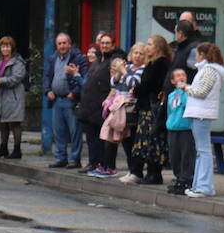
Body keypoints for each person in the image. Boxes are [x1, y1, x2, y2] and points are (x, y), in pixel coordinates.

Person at [183, 42, 224, 198]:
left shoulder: (209, 70)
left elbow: (202, 92)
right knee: (201, 150)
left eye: (197, 54)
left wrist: (186, 88)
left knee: (203, 150)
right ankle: (199, 185)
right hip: (201, 112)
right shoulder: (208, 70)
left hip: (201, 113)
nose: (195, 56)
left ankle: (204, 186)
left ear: (202, 55)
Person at [131, 34, 172, 185]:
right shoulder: (151, 63)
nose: (147, 47)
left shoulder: (161, 64)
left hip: (153, 108)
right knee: (146, 141)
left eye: (150, 44)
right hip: (146, 106)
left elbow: (151, 84)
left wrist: (137, 90)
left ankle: (154, 173)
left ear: (158, 47)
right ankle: (150, 173)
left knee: (154, 140)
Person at [44, 32, 88, 168]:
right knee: (59, 132)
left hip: (71, 100)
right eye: (59, 43)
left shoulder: (78, 58)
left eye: (64, 43)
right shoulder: (53, 59)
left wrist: (75, 93)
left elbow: (84, 78)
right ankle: (61, 158)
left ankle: (75, 159)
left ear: (69, 44)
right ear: (56, 46)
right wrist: (47, 90)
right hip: (56, 99)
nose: (62, 46)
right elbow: (47, 77)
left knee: (75, 132)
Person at [75, 32, 116, 175]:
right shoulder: (97, 61)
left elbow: (114, 83)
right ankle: (92, 162)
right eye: (102, 43)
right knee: (91, 137)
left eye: (107, 43)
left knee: (101, 138)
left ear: (113, 45)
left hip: (102, 106)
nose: (104, 46)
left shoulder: (113, 61)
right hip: (89, 106)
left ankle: (101, 164)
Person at [0, 36, 27, 159]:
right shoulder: (0, 60)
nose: (5, 49)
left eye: (7, 46)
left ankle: (17, 150)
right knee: (3, 123)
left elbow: (16, 78)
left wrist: (1, 80)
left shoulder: (18, 62)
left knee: (14, 123)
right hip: (2, 96)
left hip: (14, 96)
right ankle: (3, 148)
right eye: (3, 46)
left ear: (12, 48)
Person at [117, 43, 148, 183]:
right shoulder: (128, 67)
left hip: (134, 108)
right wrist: (119, 71)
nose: (137, 56)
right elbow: (114, 82)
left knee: (134, 140)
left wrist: (124, 72)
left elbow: (134, 83)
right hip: (122, 107)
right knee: (125, 139)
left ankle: (136, 171)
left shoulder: (142, 69)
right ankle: (131, 169)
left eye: (141, 54)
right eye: (135, 53)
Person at [165, 68, 193, 194]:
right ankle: (178, 176)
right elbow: (170, 111)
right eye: (177, 76)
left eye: (183, 75)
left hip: (185, 128)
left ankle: (186, 178)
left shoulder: (188, 93)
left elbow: (187, 105)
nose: (181, 77)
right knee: (174, 155)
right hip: (173, 127)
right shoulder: (171, 95)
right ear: (172, 81)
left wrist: (184, 90)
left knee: (186, 155)